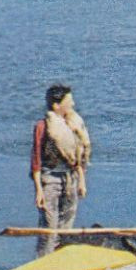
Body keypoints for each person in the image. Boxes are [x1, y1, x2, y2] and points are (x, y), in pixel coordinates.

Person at [30, 83, 91, 257]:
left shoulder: (72, 125)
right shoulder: (43, 126)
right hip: (50, 179)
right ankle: (42, 263)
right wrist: (39, 190)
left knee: (67, 224)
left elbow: (78, 156)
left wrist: (81, 181)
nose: (72, 105)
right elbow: (36, 160)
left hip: (70, 178)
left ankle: (60, 260)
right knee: (49, 226)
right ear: (56, 105)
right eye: (69, 101)